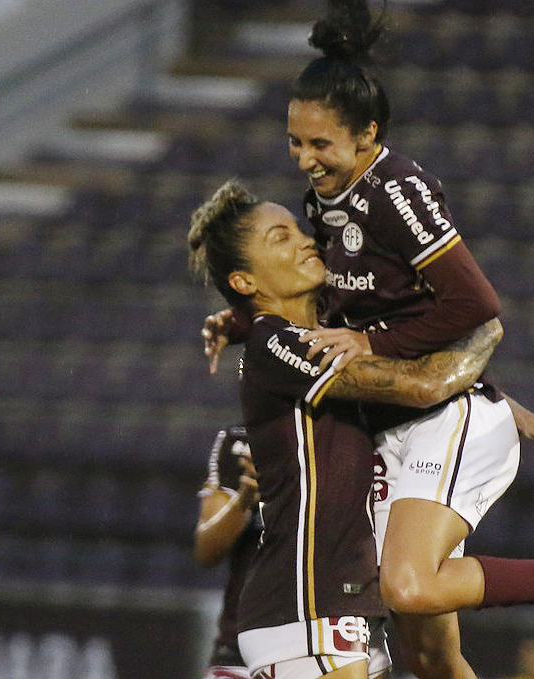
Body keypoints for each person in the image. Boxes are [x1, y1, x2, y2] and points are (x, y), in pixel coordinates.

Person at [203, 1, 534, 676]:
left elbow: (476, 305)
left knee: (409, 584)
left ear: (367, 135)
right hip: (405, 418)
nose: (305, 158)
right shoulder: (326, 199)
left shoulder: (396, 188)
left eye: (319, 143)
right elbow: (340, 304)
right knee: (430, 653)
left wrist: (375, 345)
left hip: (443, 415)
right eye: (294, 142)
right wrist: (245, 319)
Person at [188, 179, 505, 678]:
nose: (306, 239)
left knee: (434, 639)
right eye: (281, 238)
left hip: (341, 599)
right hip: (303, 603)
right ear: (245, 281)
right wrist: (482, 332)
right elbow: (421, 387)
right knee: (423, 601)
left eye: (298, 229)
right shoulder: (279, 347)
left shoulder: (310, 334)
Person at [194, 425, 262, 679]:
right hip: (241, 647)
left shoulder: (343, 437)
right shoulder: (240, 441)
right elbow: (206, 550)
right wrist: (244, 499)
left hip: (322, 643)